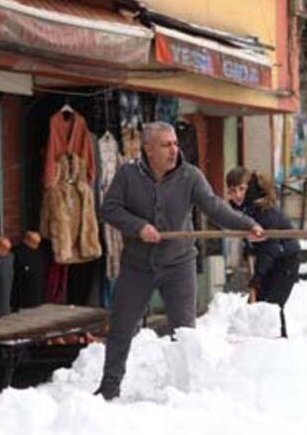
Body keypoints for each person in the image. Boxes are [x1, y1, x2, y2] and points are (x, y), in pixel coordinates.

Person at [95, 122, 264, 400]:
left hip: (179, 264)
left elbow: (214, 206)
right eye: (166, 145)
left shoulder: (190, 176)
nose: (174, 150)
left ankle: (185, 393)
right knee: (121, 329)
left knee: (184, 332)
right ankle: (108, 389)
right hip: (137, 265)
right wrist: (138, 227)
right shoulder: (128, 175)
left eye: (175, 143)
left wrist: (247, 225)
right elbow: (109, 209)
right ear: (148, 149)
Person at [226, 167, 300, 339]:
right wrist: (248, 250)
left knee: (271, 307)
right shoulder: (244, 210)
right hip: (269, 260)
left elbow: (270, 246)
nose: (237, 195)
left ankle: (278, 345)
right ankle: (267, 346)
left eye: (241, 189)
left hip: (284, 262)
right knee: (261, 306)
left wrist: (257, 277)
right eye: (232, 191)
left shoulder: (264, 209)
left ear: (250, 186)